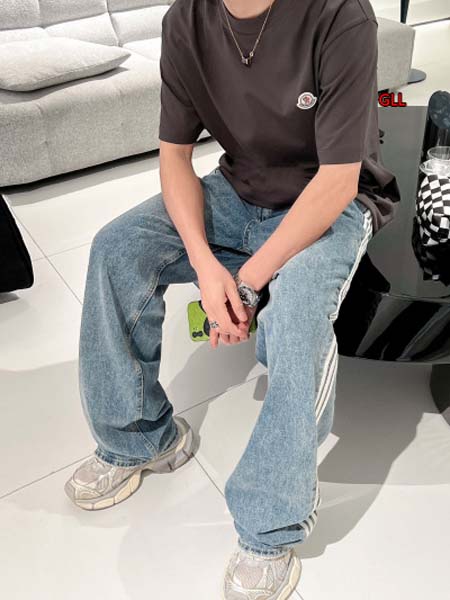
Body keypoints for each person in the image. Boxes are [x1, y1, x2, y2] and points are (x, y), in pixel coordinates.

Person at [65, 0, 400, 597]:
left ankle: (271, 525)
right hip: (236, 190)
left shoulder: (340, 15)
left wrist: (247, 281)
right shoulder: (185, 21)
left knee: (295, 314)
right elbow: (174, 156)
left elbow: (338, 180)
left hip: (331, 203)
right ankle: (137, 439)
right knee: (116, 249)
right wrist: (204, 263)